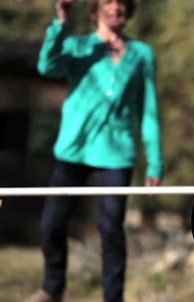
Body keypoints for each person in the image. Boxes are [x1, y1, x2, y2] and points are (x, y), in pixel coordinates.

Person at [24, 0, 163, 301]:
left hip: (117, 152)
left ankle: (113, 298)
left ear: (129, 9)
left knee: (111, 228)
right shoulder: (78, 45)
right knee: (52, 224)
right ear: (96, 8)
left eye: (121, 2)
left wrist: (155, 162)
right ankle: (52, 288)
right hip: (73, 148)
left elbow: (148, 110)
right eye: (107, 2)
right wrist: (61, 22)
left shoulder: (142, 54)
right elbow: (47, 66)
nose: (115, 8)